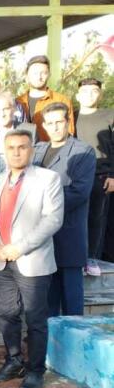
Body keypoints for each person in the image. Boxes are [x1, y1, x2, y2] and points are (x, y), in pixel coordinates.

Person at [0, 129, 64, 388]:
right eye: (11, 148)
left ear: (31, 150)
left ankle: (35, 370)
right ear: (4, 151)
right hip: (2, 260)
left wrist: (19, 248)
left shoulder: (48, 179)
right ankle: (14, 361)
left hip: (32, 260)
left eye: (22, 147)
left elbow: (53, 219)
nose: (16, 152)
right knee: (6, 314)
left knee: (35, 319)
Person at [33, 103, 96, 316]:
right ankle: (50, 337)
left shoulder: (83, 151)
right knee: (47, 304)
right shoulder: (37, 150)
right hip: (43, 239)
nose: (55, 127)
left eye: (59, 122)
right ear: (44, 125)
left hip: (68, 235)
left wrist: (41, 206)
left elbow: (79, 192)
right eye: (50, 123)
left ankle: (73, 338)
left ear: (68, 122)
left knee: (72, 305)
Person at [74, 78, 114, 270]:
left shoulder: (110, 115)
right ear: (77, 96)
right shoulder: (71, 116)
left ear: (100, 94)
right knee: (77, 221)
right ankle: (79, 261)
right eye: (85, 91)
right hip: (76, 176)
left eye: (94, 91)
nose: (89, 95)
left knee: (97, 222)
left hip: (103, 177)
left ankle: (93, 262)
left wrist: (113, 175)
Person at [16, 55, 75, 142]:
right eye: (35, 73)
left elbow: (69, 133)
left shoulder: (61, 100)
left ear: (49, 75)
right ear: (27, 76)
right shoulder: (18, 102)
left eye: (43, 73)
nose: (39, 77)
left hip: (51, 149)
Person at [0, 91, 37, 174]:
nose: (2, 114)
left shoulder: (30, 130)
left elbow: (35, 160)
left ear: (13, 109)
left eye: (6, 109)